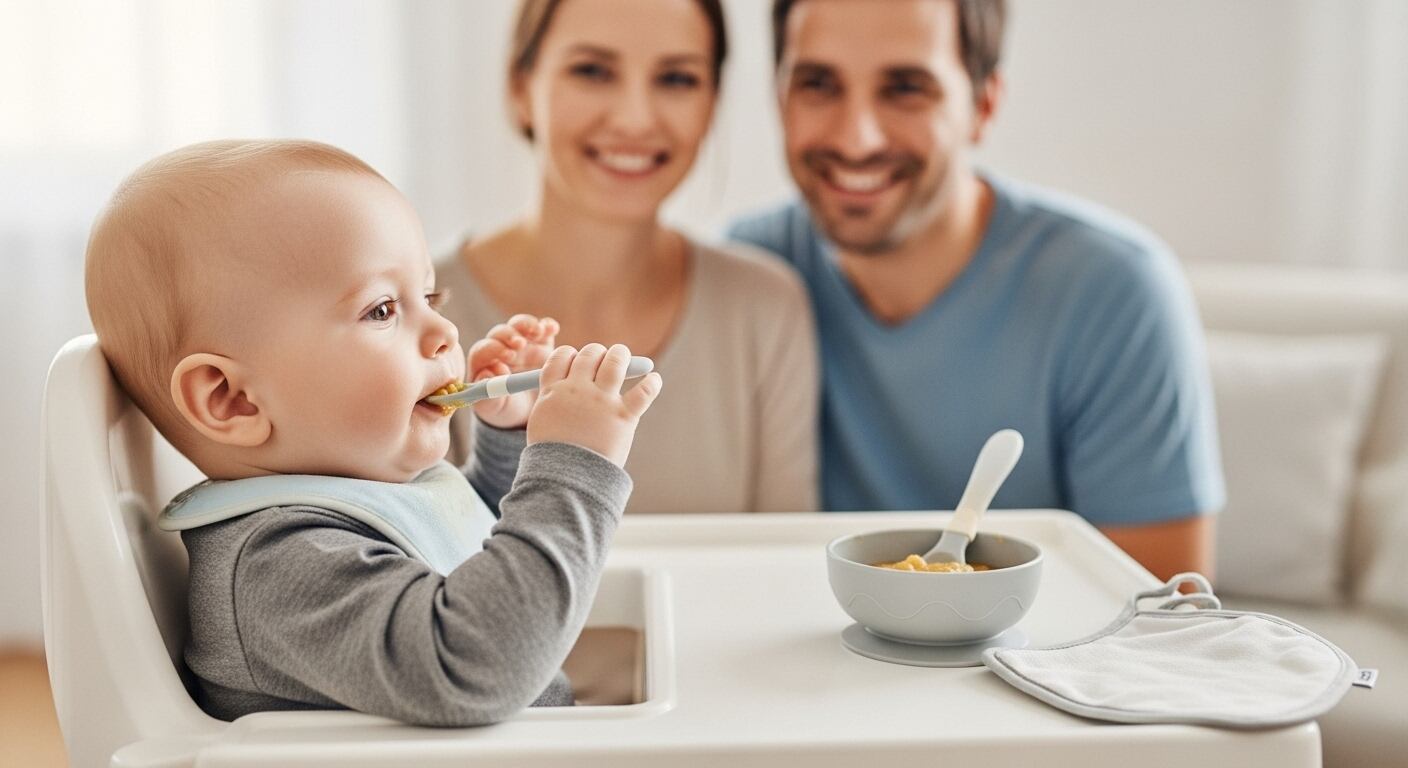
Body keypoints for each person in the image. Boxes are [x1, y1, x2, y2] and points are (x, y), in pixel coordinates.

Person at [83, 139, 661, 725]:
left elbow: (476, 552)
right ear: (233, 400)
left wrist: (509, 435)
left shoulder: (357, 487)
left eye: (430, 296)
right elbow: (475, 662)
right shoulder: (279, 568)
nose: (442, 331)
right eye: (383, 309)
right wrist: (572, 465)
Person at [729, 0, 1224, 580]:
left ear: (982, 106)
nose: (855, 138)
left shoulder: (1112, 292)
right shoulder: (751, 272)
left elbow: (1163, 616)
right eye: (817, 83)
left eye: (906, 88)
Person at [437, 0, 819, 514]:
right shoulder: (420, 314)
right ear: (520, 86)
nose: (635, 118)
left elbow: (781, 567)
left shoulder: (766, 312)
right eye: (592, 71)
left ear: (713, 101)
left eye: (677, 79)